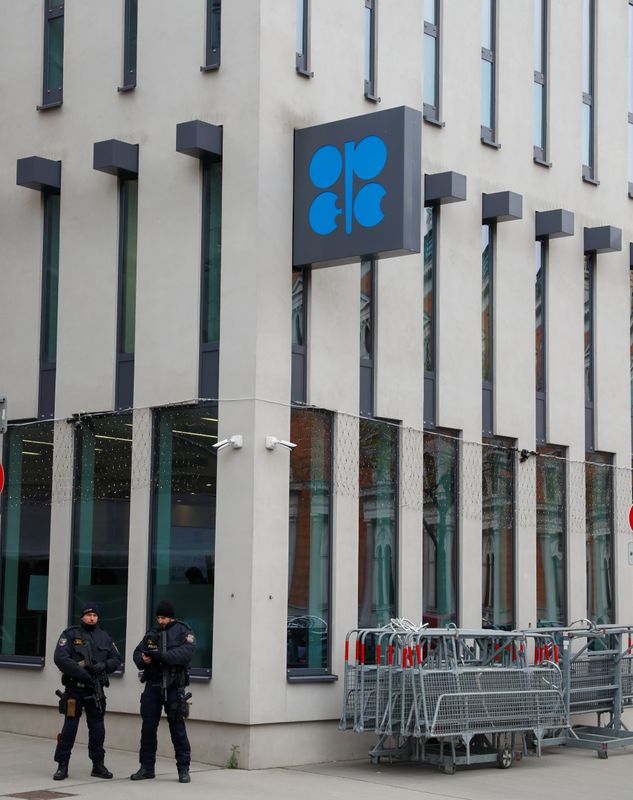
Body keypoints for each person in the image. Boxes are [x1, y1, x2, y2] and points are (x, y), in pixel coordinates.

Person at [52, 602, 121, 780]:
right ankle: (62, 765)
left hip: (95, 691)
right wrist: (83, 674)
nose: (92, 618)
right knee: (69, 729)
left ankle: (98, 765)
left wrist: (104, 665)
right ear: (82, 616)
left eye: (95, 615)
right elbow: (60, 658)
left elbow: (116, 659)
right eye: (88, 615)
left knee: (98, 730)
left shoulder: (104, 636)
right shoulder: (71, 634)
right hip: (75, 689)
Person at [130, 600, 196, 783]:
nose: (161, 621)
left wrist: (162, 657)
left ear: (172, 617)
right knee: (148, 728)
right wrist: (144, 660)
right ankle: (146, 767)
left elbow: (187, 653)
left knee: (177, 729)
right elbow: (137, 653)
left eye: (164, 617)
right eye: (159, 617)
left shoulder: (184, 631)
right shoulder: (152, 633)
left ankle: (183, 769)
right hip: (153, 685)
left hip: (173, 685)